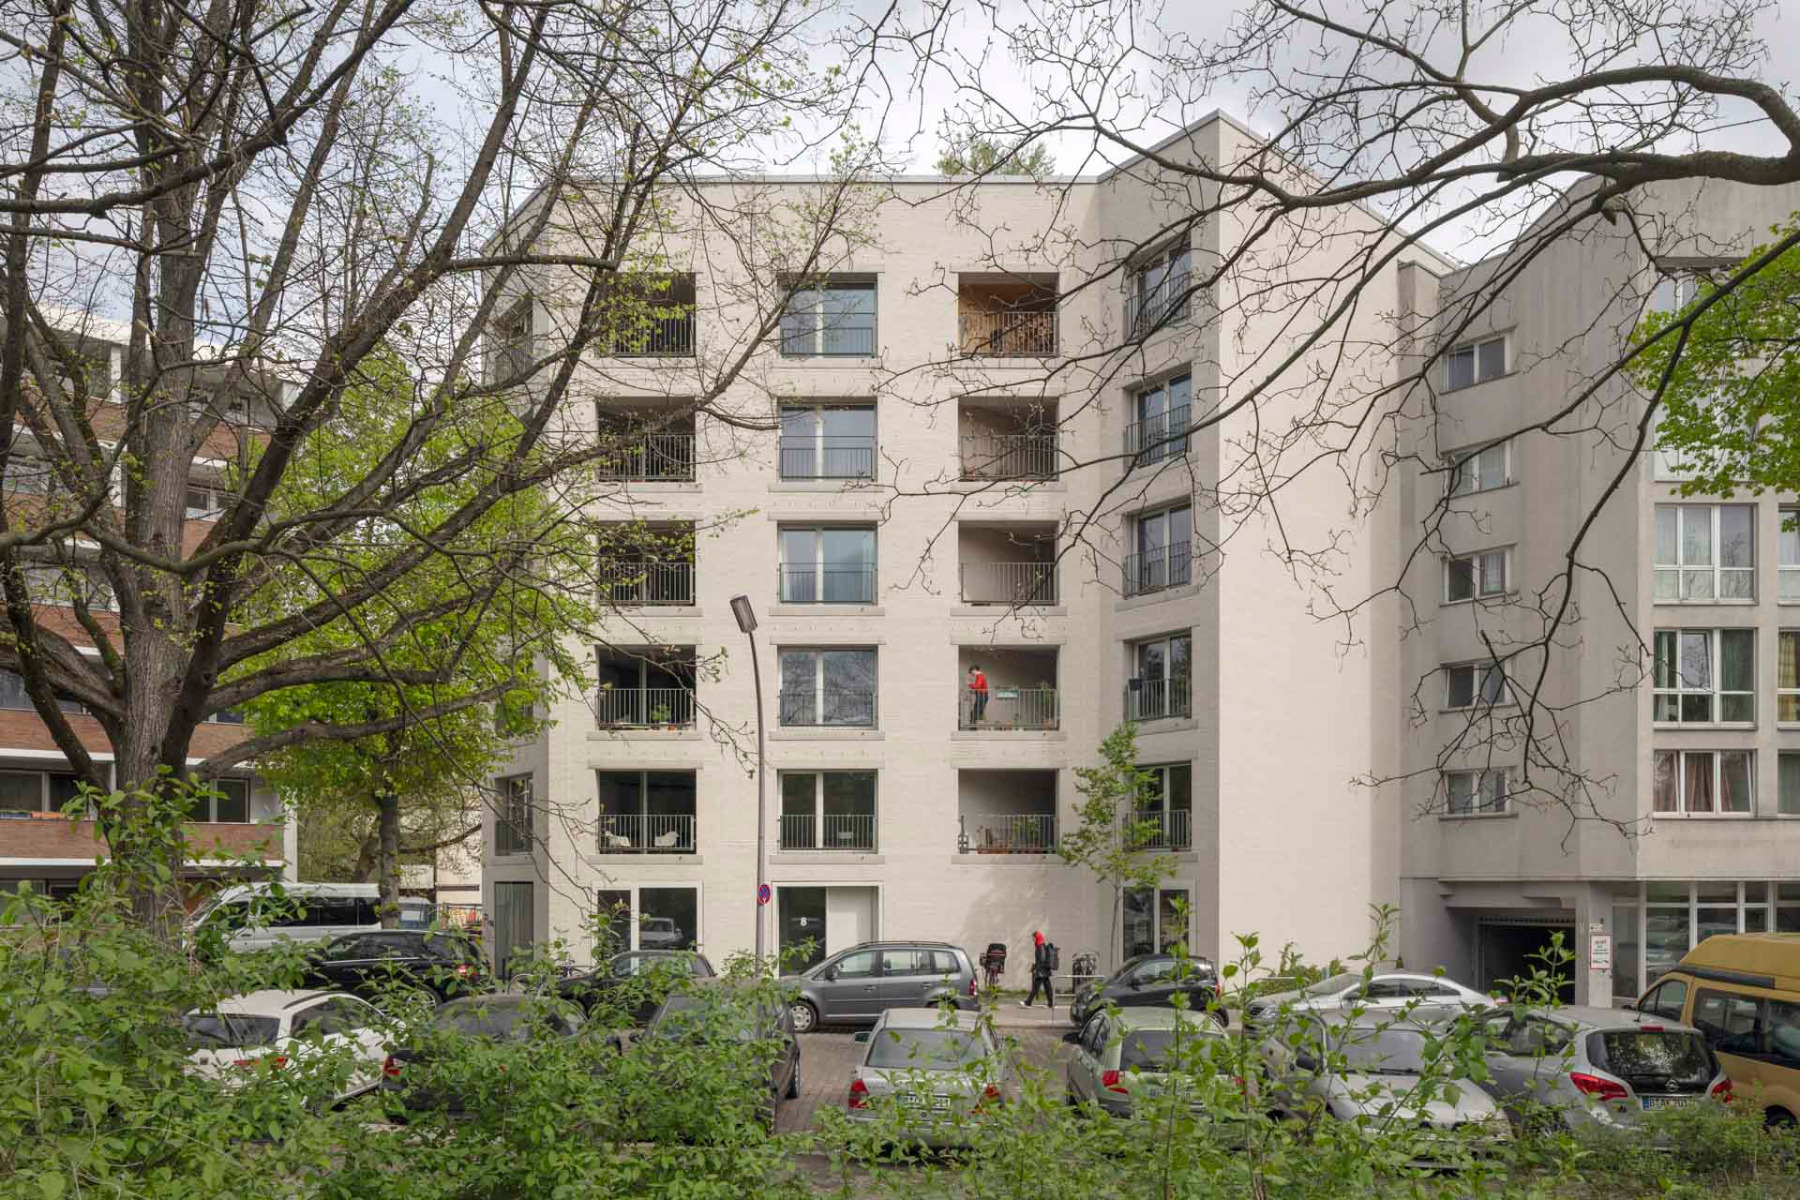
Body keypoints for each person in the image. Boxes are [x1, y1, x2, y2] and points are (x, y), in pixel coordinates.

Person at [1021, 930, 1055, 1008]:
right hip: (1044, 970)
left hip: (1042, 971)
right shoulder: (1040, 946)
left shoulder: (1040, 946)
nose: (1033, 939)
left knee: (1036, 987)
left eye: (1034, 938)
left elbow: (1042, 959)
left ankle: (1028, 1002)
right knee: (1047, 987)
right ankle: (1051, 1003)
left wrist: (1037, 968)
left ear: (1037, 937)